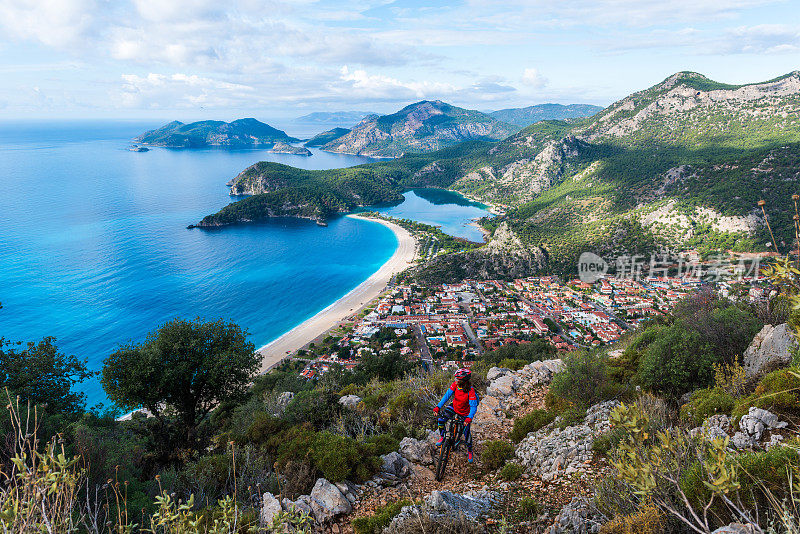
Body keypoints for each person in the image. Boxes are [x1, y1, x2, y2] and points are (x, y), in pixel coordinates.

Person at [433, 367, 479, 463]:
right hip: (454, 406)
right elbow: (447, 396)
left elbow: (473, 407)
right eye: (456, 378)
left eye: (458, 379)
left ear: (463, 381)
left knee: (466, 434)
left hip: (465, 413)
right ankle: (442, 436)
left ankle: (470, 450)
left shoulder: (470, 391)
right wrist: (438, 406)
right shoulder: (455, 385)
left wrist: (469, 418)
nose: (455, 380)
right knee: (441, 420)